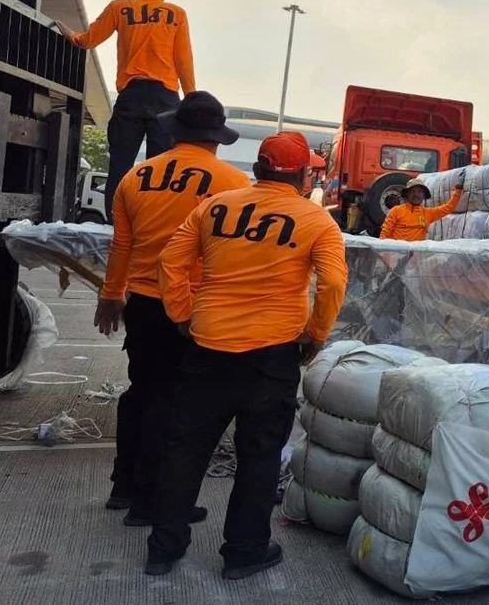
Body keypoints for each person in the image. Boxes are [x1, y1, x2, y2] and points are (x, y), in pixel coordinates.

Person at [148, 131, 347, 579]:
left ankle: (163, 548)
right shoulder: (317, 221)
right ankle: (243, 552)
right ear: (304, 175)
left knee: (184, 450)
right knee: (259, 456)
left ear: (257, 169)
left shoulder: (214, 207)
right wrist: (315, 335)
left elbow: (170, 262)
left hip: (207, 347)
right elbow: (333, 283)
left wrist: (182, 315)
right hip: (272, 356)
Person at [96, 91, 249, 523]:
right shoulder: (234, 185)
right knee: (178, 404)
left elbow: (122, 245)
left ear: (175, 130)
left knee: (141, 392)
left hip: (143, 304)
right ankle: (155, 501)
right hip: (194, 310)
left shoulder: (135, 178)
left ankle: (124, 486)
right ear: (216, 138)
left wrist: (111, 294)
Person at [58, 0, 196, 216]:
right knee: (160, 167)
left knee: (120, 163)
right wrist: (191, 97)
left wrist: (72, 36)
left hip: (131, 95)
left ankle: (115, 222)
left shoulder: (119, 8)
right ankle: (152, 221)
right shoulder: (176, 14)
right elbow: (183, 60)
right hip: (165, 98)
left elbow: (88, 40)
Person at [379, 177, 465, 241]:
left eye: (419, 192)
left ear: (424, 196)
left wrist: (458, 191)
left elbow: (448, 208)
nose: (416, 195)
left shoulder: (428, 213)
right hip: (395, 255)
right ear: (407, 195)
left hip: (415, 257)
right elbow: (385, 233)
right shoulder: (396, 211)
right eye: (412, 191)